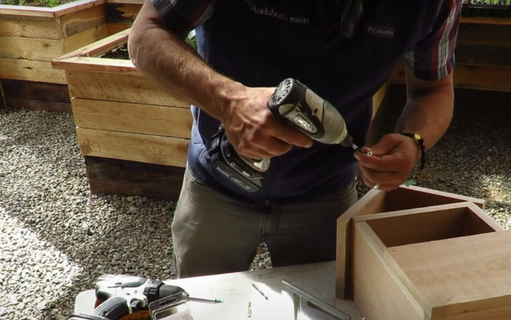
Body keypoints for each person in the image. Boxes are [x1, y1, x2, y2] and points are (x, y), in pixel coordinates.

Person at [128, 0, 461, 278]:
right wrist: (230, 103)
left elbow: (433, 89)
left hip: (326, 198)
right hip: (216, 189)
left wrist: (414, 140)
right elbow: (147, 34)